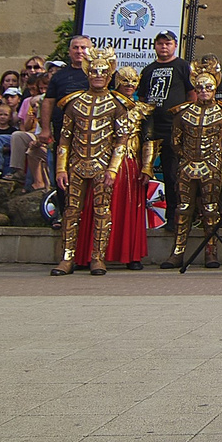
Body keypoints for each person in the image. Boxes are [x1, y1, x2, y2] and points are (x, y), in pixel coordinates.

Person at [50, 47, 143, 275]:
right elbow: (64, 139)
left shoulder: (117, 104)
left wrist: (113, 169)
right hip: (76, 165)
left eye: (102, 72)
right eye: (93, 71)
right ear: (87, 73)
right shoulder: (73, 103)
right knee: (71, 211)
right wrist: (61, 169)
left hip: (102, 166)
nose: (98, 75)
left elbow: (122, 140)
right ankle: (67, 257)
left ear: (110, 75)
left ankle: (97, 258)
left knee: (103, 211)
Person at [164, 59, 222, 268]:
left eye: (208, 87)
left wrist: (217, 159)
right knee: (183, 208)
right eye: (199, 87)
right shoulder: (182, 113)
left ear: (215, 87)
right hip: (187, 165)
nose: (203, 91)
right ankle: (177, 252)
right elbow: (175, 141)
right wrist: (185, 158)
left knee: (210, 209)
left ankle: (211, 251)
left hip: (211, 166)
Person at [136, 32, 192, 232]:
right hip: (151, 126)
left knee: (172, 173)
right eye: (159, 43)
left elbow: (191, 93)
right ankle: (138, 217)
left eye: (167, 43)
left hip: (173, 127)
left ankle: (173, 216)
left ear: (175, 45)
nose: (163, 47)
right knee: (143, 171)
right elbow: (142, 97)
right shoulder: (148, 69)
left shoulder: (182, 66)